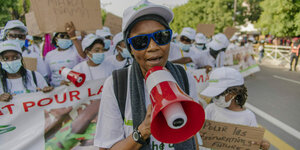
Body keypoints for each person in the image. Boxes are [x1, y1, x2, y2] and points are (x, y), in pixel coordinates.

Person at [94, 1, 204, 149]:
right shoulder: (116, 85)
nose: (153, 47)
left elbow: (192, 136)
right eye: (140, 41)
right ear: (130, 48)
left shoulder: (184, 78)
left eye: (161, 36)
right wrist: (143, 131)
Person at [45, 33, 114, 150]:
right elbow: (70, 91)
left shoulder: (110, 67)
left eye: (102, 50)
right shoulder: (78, 69)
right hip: (85, 117)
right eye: (97, 50)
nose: (101, 53)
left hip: (106, 114)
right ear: (87, 52)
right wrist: (65, 86)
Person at [200, 67, 270, 150]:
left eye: (218, 95)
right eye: (214, 95)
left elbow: (252, 141)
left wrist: (261, 143)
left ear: (234, 93)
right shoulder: (210, 109)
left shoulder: (248, 116)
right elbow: (201, 135)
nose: (215, 98)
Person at [45, 23, 85, 87]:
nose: (65, 38)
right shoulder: (49, 55)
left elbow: (83, 58)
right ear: (56, 39)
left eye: (68, 36)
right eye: (62, 36)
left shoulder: (76, 51)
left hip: (74, 88)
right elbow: (48, 75)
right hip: (56, 91)